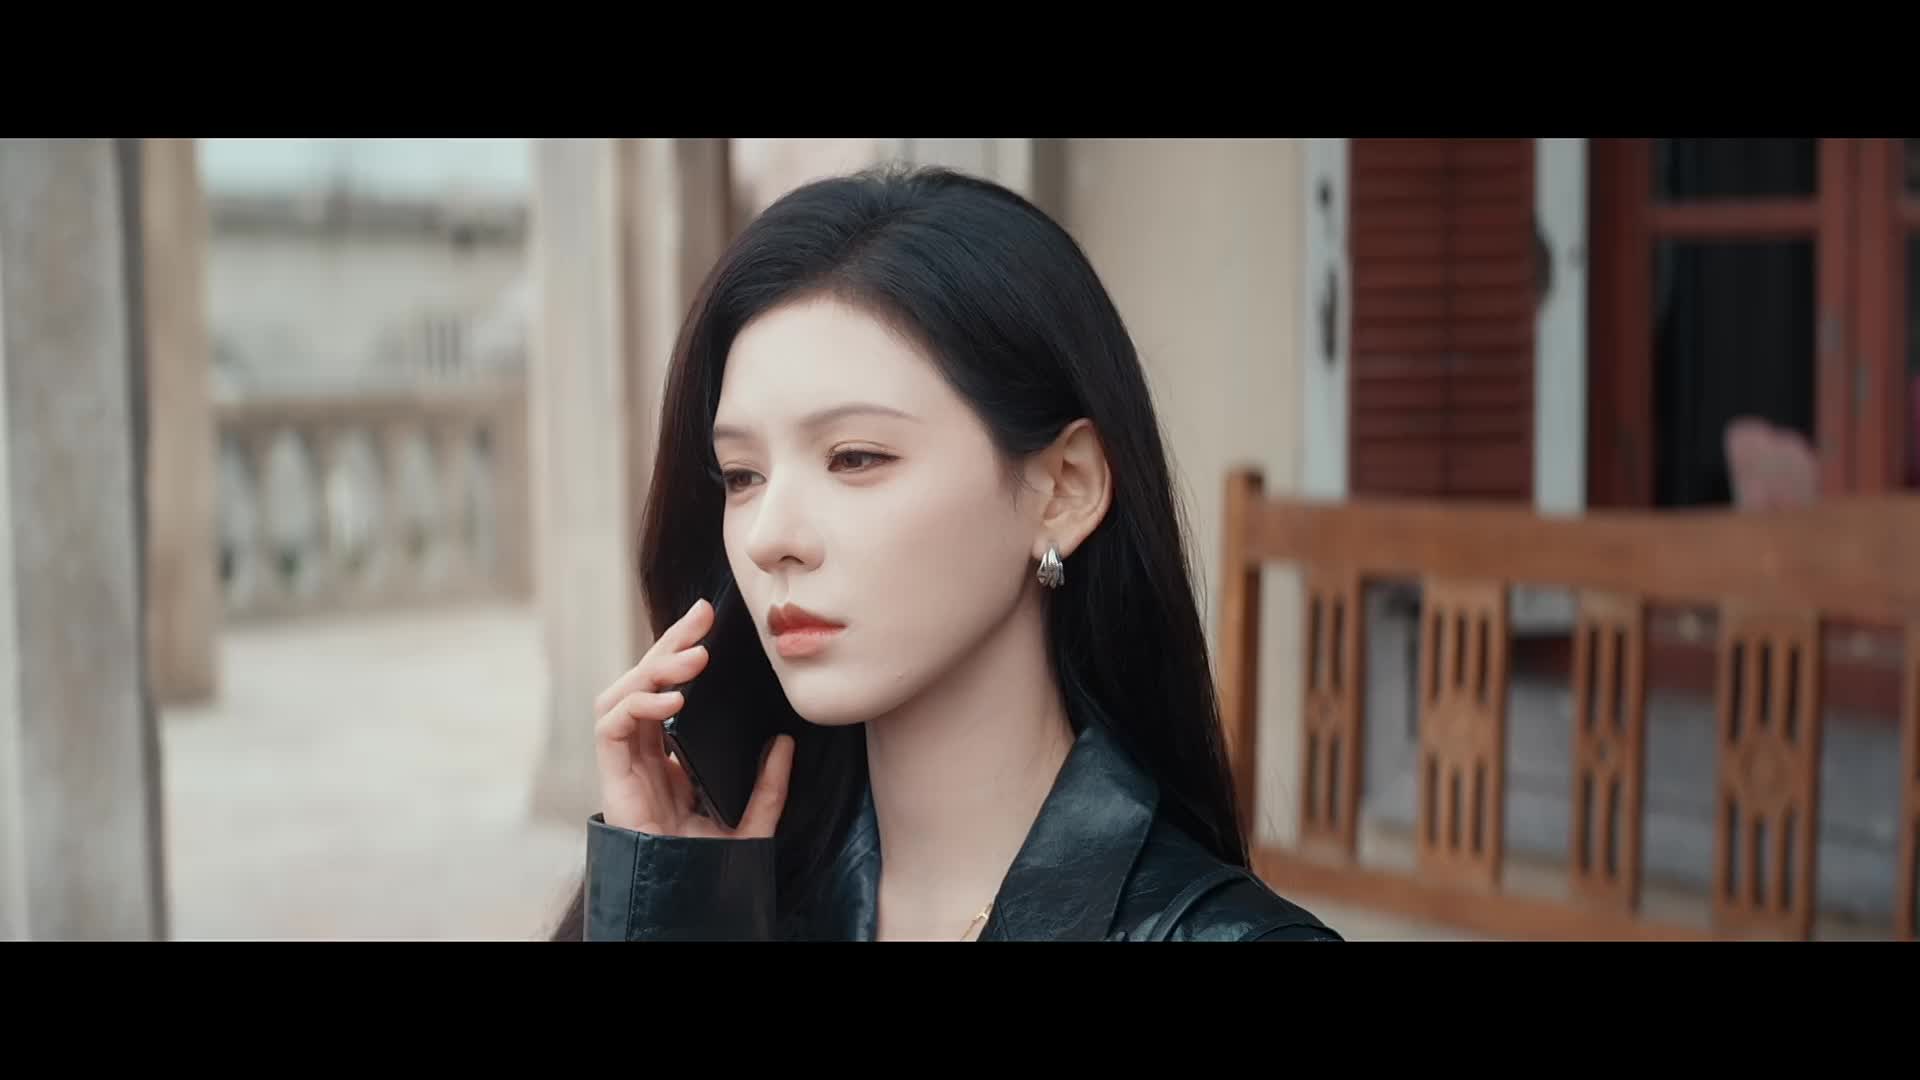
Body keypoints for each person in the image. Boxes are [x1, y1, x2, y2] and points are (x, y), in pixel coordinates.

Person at [548, 164, 1339, 942]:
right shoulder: (745, 896)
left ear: (1064, 489)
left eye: (855, 457)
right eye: (741, 475)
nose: (768, 537)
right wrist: (674, 909)